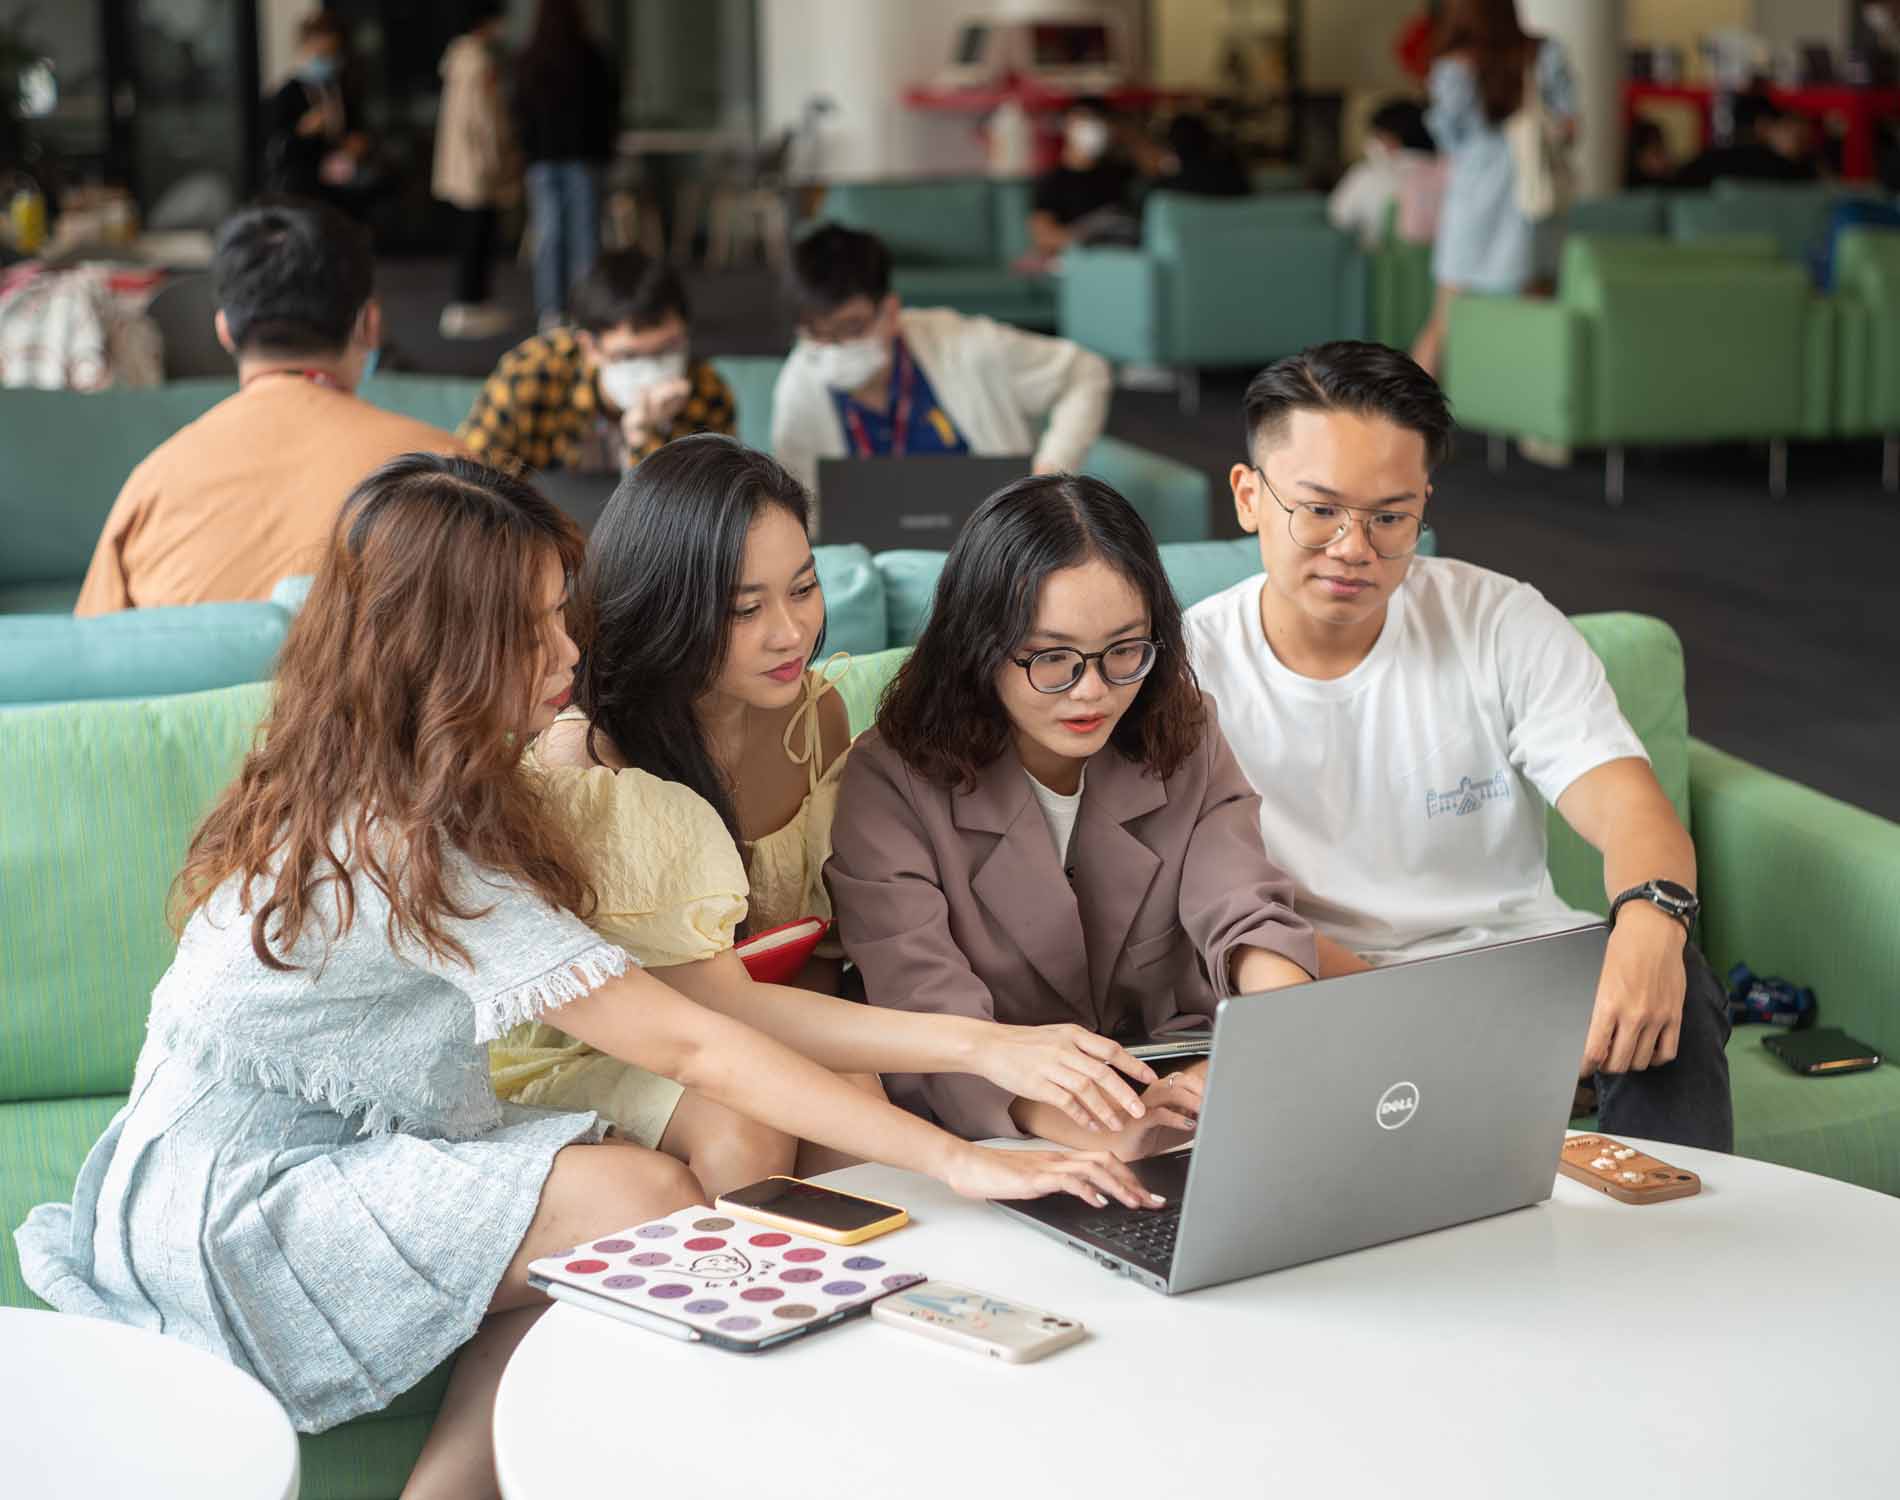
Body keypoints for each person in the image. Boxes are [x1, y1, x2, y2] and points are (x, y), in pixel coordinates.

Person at [19, 452, 1160, 1497]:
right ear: (443, 650)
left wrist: (976, 1067)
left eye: (560, 619)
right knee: (643, 1200)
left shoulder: (408, 776)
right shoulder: (407, 837)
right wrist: (964, 1158)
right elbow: (695, 1039)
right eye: (532, 634)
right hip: (234, 1208)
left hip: (281, 1158)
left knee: (618, 1207)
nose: (571, 653)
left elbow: (707, 1011)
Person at [494, 436, 1160, 1195]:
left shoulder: (820, 720)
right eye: (746, 608)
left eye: (804, 589)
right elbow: (704, 1018)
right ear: (667, 603)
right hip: (598, 1048)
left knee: (854, 1092)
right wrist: (980, 1047)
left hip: (753, 1026)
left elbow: (810, 957)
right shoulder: (596, 770)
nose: (790, 632)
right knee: (746, 1129)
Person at [1182, 341, 1733, 1152]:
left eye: (1389, 517)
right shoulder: (1187, 669)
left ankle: (1677, 1250)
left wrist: (1656, 924)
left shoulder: (1499, 620)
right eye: (1320, 509)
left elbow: (1627, 807)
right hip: (1320, 985)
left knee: (1678, 982)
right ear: (1248, 497)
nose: (1353, 547)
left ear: (1423, 506)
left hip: (1513, 970)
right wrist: (1437, 1035)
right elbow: (1222, 911)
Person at [827, 473, 1317, 1155]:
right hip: (997, 1127)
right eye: (1052, 658)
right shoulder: (890, 779)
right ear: (980, 647)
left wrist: (1262, 1048)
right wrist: (1105, 1131)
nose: (1093, 691)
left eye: (1124, 651)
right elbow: (927, 1013)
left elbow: (1245, 908)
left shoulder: (1183, 730)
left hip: (1179, 1095)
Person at [74, 199, 463, 615]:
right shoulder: (453, 475)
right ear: (368, 324)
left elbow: (93, 655)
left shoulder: (152, 486)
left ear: (224, 330)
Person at [771, 225, 1111, 525]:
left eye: (851, 327)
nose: (835, 347)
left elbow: (1086, 371)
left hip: (995, 557)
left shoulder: (967, 346)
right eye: (818, 334)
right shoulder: (799, 387)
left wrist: (1051, 471)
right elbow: (801, 516)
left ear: (889, 311)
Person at [458, 248, 734, 475]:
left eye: (669, 348)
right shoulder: (534, 372)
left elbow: (691, 528)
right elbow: (468, 475)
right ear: (590, 347)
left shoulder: (707, 394)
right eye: (630, 355)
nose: (654, 367)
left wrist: (644, 435)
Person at [1408, 0, 1575, 376]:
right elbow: (1569, 127)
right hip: (1532, 203)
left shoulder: (1453, 66)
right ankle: (1536, 427)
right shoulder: (1544, 54)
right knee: (1534, 320)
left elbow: (1449, 139)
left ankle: (1410, 428)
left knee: (1443, 321)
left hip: (1472, 203)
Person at [514, 0, 620, 327]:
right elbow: (609, 109)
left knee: (549, 237)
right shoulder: (591, 56)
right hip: (583, 158)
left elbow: (519, 112)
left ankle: (551, 312)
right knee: (585, 239)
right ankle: (585, 311)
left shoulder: (531, 58)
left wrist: (527, 153)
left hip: (544, 160)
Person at [432, 1, 517, 340]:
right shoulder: (479, 61)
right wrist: (499, 158)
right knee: (478, 236)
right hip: (479, 164)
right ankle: (471, 305)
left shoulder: (458, 59)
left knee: (470, 234)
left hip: (462, 161)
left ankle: (468, 304)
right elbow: (484, 119)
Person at [262, 13, 372, 216]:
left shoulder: (343, 89)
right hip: (303, 191)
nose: (326, 59)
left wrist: (357, 144)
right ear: (305, 48)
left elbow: (358, 129)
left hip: (342, 190)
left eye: (331, 53)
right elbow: (276, 146)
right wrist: (302, 131)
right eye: (320, 53)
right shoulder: (287, 94)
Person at [1027, 96, 1137, 263]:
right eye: (1083, 120)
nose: (1090, 128)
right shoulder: (1052, 182)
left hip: (1124, 259)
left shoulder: (1124, 173)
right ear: (1066, 126)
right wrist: (1085, 241)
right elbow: (1044, 236)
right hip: (1080, 261)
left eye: (1097, 122)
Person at [1328, 98, 1443, 250]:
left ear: (1390, 138)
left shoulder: (1366, 175)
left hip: (1378, 269)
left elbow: (1338, 221)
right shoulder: (1450, 174)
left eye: (1377, 135)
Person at [1675, 93, 1820, 188]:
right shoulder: (1794, 172)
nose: (1803, 140)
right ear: (1763, 126)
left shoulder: (1713, 160)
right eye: (1790, 129)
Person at [1625, 117, 1677, 190]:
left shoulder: (1674, 184)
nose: (1665, 158)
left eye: (1664, 151)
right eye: (1656, 152)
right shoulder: (1630, 191)